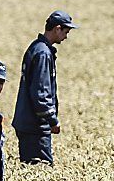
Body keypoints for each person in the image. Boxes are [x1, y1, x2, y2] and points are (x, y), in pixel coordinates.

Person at [12, 10, 80, 165]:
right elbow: (41, 92)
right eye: (66, 31)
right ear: (57, 28)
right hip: (35, 125)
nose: (66, 37)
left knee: (32, 169)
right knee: (40, 168)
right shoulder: (43, 53)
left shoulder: (36, 47)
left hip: (27, 122)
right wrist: (52, 119)